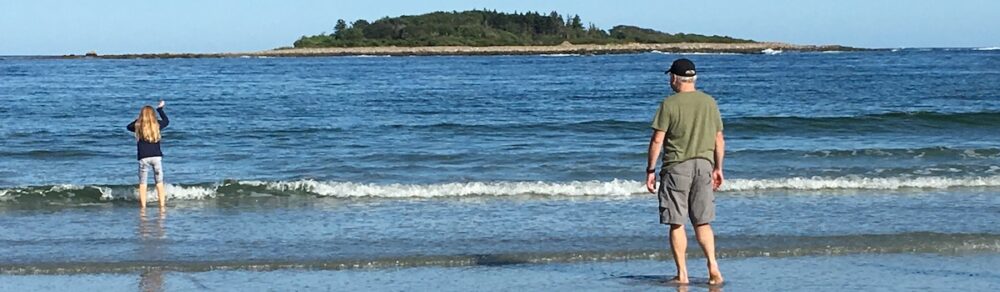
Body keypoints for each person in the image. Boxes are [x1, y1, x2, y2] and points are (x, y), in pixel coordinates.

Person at [645, 58, 725, 285]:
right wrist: (718, 167)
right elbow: (719, 138)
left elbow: (657, 140)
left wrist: (650, 169)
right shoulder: (709, 102)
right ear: (693, 78)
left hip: (676, 167)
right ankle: (713, 267)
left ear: (674, 78)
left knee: (676, 222)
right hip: (704, 165)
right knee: (702, 221)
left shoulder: (669, 104)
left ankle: (682, 274)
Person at [127, 100, 170, 209]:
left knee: (143, 184)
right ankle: (162, 206)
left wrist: (138, 119)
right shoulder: (157, 125)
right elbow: (166, 121)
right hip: (156, 157)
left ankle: (143, 207)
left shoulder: (138, 126)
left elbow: (128, 126)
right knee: (159, 183)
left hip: (143, 158)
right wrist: (160, 110)